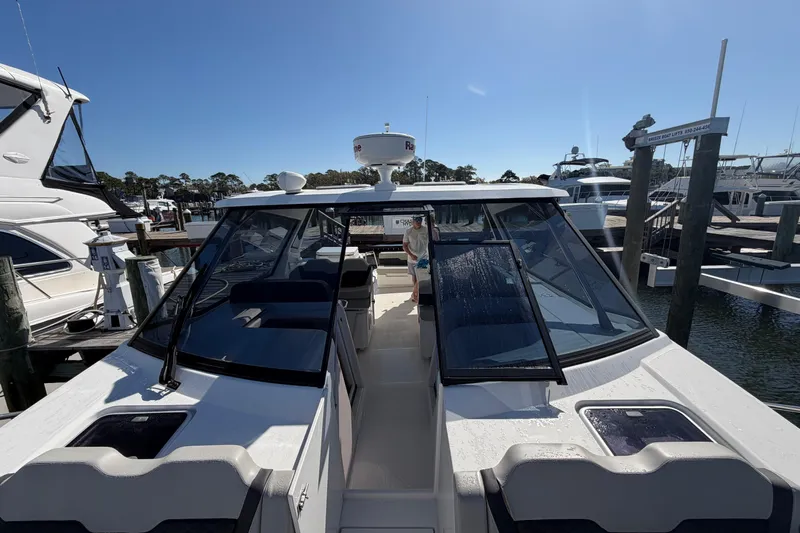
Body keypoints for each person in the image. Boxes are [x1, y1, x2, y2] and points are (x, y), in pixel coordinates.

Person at [402, 215, 428, 303]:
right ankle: (416, 294)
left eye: (420, 221)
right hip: (412, 257)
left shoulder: (426, 230)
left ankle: (416, 294)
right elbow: (405, 246)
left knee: (420, 276)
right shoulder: (408, 231)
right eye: (416, 221)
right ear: (412, 222)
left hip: (423, 257)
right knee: (414, 277)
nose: (418, 223)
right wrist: (411, 255)